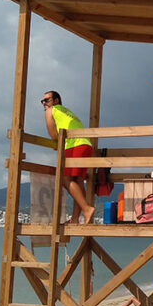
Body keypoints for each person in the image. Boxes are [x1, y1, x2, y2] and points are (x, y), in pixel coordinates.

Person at [42, 90, 96, 224]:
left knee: (65, 179)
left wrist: (55, 143)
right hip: (86, 145)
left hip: (74, 145)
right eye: (42, 101)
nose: (44, 103)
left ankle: (86, 209)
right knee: (77, 181)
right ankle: (75, 218)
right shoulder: (68, 112)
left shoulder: (50, 110)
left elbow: (53, 134)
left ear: (55, 101)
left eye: (47, 100)